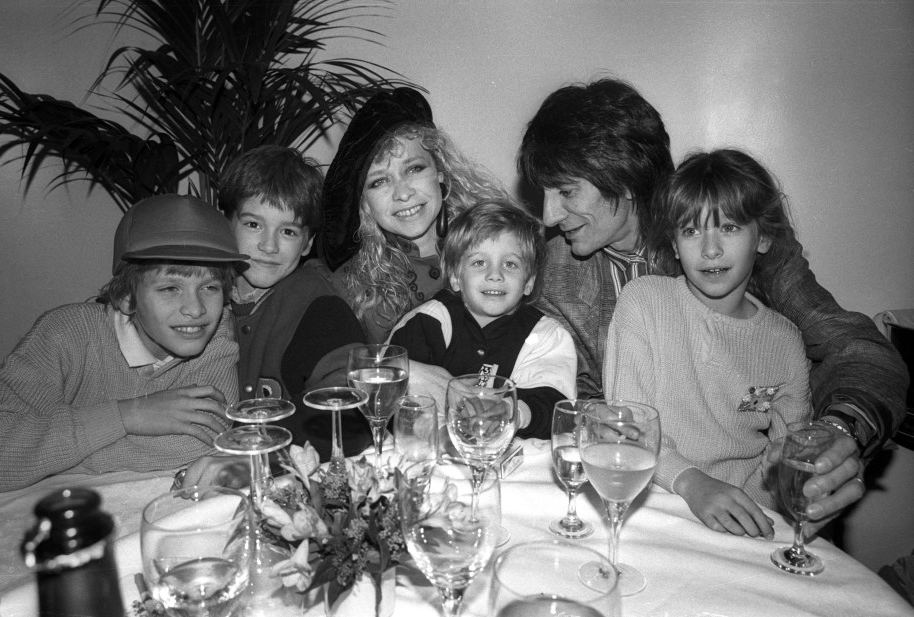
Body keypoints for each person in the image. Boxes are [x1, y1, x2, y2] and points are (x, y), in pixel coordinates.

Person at [519, 77, 909, 534]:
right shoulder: (550, 273)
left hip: (752, 509)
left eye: (566, 191)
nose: (547, 216)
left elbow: (859, 351)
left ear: (622, 179)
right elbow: (563, 396)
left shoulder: (735, 240)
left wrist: (837, 434)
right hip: (640, 508)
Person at [0, 195, 244, 502]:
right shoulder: (65, 334)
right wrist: (127, 415)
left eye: (210, 287)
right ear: (126, 297)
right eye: (170, 288)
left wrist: (39, 460)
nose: (196, 309)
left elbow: (194, 447)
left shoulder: (216, 341)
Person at [605, 149, 811, 538]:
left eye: (729, 227)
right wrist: (694, 484)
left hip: (747, 523)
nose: (710, 248)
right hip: (654, 507)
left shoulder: (784, 341)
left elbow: (789, 461)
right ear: (674, 241)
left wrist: (760, 514)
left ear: (763, 236)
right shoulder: (644, 302)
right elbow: (626, 429)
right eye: (691, 230)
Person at [319, 86, 510, 345]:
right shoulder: (346, 285)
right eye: (379, 182)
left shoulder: (500, 249)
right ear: (364, 202)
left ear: (440, 173)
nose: (403, 193)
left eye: (413, 169)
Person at [216, 145, 372, 461]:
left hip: (280, 473)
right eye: (253, 224)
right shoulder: (201, 296)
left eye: (287, 231)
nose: (268, 245)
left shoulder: (318, 307)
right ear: (225, 225)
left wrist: (255, 450)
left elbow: (349, 416)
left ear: (307, 243)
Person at [389, 199, 577, 438]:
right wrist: (445, 431)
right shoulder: (427, 322)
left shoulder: (546, 336)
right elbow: (393, 396)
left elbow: (555, 404)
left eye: (510, 264)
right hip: (434, 456)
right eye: (479, 262)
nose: (495, 275)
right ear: (456, 276)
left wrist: (511, 412)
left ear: (529, 281)